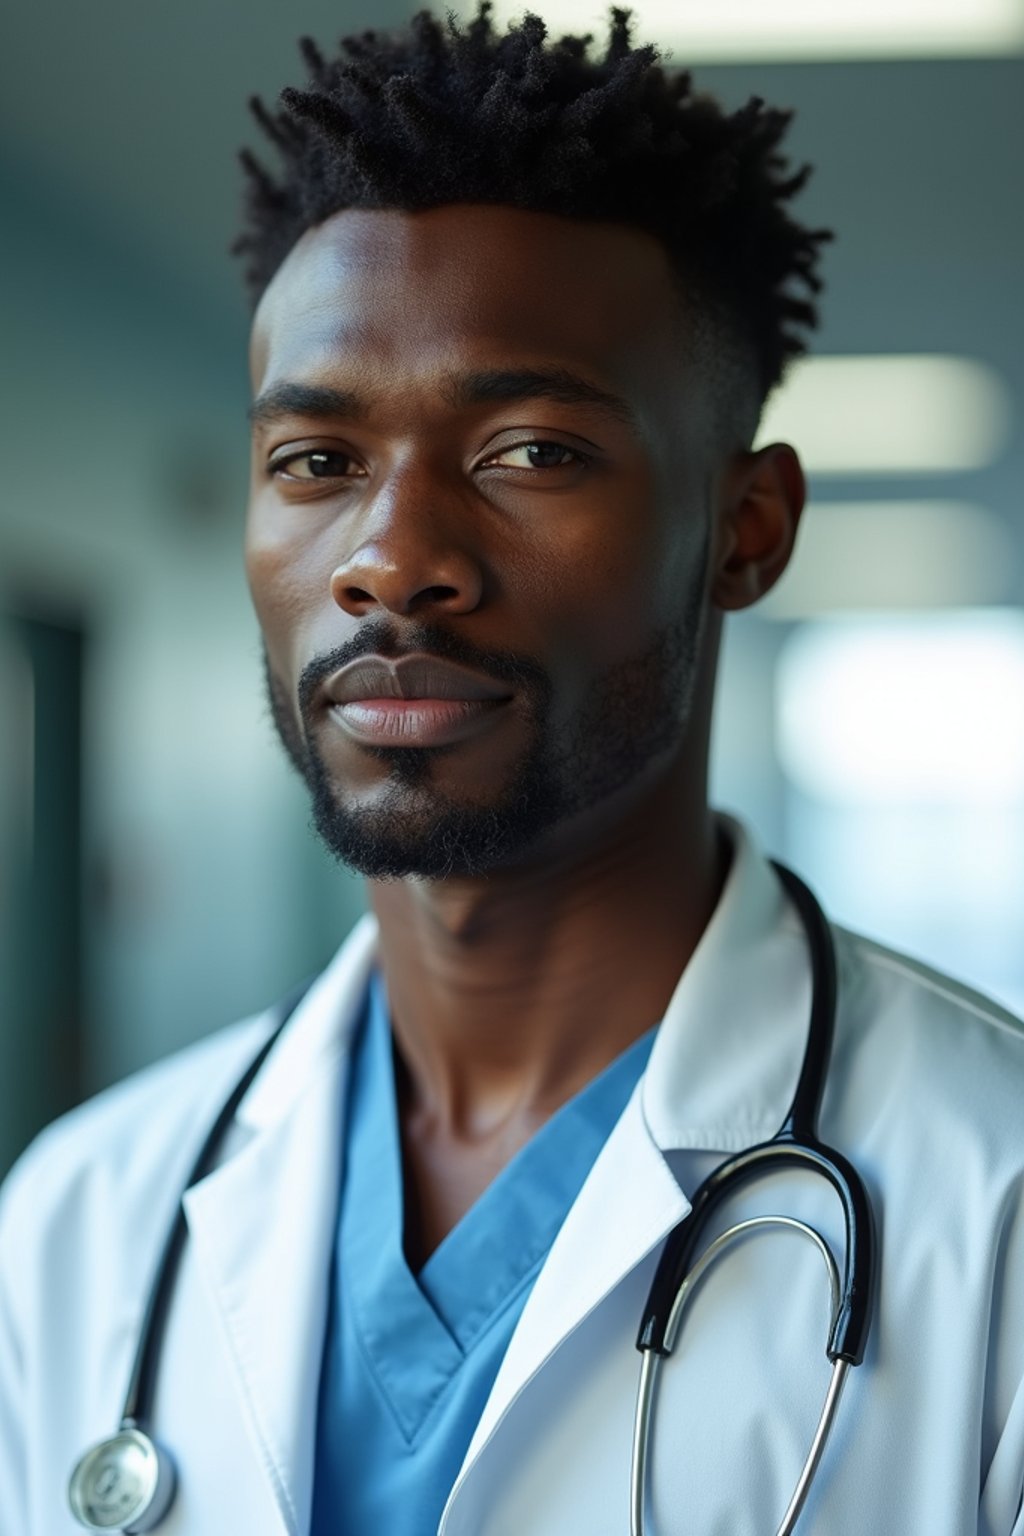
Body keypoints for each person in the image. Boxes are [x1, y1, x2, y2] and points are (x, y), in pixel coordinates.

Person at [2, 6, 1023, 1533]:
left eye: (530, 450)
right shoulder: (84, 1221)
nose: (392, 562)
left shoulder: (993, 1207)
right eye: (316, 462)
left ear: (746, 531)